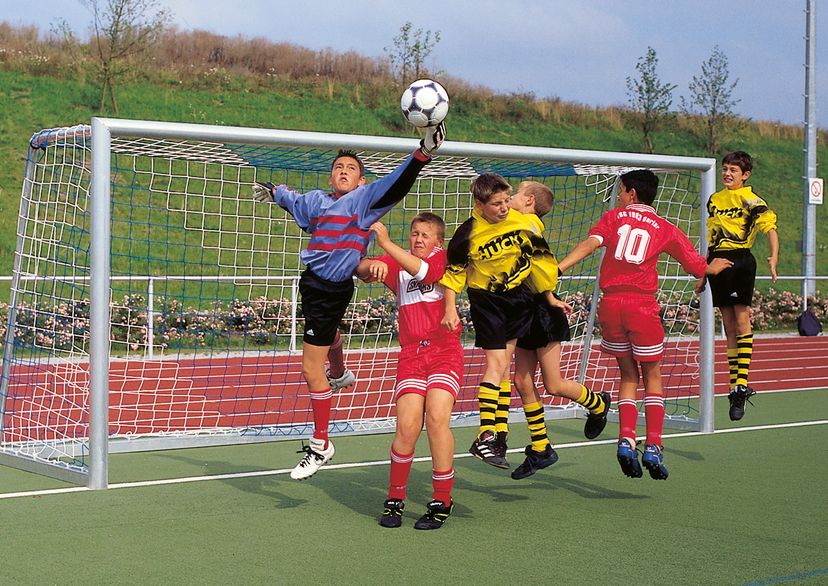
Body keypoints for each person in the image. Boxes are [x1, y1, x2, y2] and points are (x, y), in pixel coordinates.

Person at [252, 123, 446, 480]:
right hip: (310, 283)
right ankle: (339, 372)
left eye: (351, 169)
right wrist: (275, 191)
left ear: (360, 182)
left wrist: (422, 153)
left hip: (331, 290)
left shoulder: (363, 202)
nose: (343, 172)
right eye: (338, 167)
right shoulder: (315, 201)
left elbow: (396, 183)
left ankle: (321, 443)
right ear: (331, 177)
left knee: (311, 370)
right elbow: (291, 200)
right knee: (327, 340)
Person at [558, 170, 732, 480]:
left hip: (611, 305)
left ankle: (626, 439)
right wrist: (712, 266)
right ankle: (653, 444)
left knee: (627, 375)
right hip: (642, 306)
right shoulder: (666, 228)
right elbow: (695, 268)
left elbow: (590, 245)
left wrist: (559, 267)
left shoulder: (613, 218)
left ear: (632, 194)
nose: (620, 196)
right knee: (652, 375)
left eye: (622, 191)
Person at [440, 172, 559, 470]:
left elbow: (542, 260)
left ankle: (499, 438)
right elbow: (454, 275)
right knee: (495, 366)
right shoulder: (466, 234)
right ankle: (487, 434)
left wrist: (549, 294)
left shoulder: (524, 223)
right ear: (480, 205)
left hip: (518, 302)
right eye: (497, 203)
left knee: (504, 369)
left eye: (507, 201)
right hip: (487, 303)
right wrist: (449, 309)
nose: (505, 207)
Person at [355, 214, 461, 530]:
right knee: (406, 427)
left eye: (425, 235)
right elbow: (361, 268)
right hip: (412, 356)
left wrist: (386, 242)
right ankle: (394, 499)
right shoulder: (399, 264)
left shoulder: (443, 260)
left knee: (437, 419)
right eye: (414, 233)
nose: (418, 239)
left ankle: (442, 500)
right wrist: (369, 268)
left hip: (444, 353)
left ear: (438, 242)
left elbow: (426, 272)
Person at [506, 181, 611, 480]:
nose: (509, 198)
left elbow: (544, 268)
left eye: (514, 194)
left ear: (527, 201)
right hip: (525, 310)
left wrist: (549, 295)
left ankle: (598, 402)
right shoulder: (519, 222)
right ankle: (541, 447)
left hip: (542, 312)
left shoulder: (526, 223)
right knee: (521, 380)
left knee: (553, 384)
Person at [703, 151, 779, 421]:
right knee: (728, 324)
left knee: (742, 318)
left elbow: (770, 228)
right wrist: (704, 270)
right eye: (725, 169)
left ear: (745, 175)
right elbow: (711, 236)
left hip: (740, 261)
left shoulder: (751, 199)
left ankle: (741, 384)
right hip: (717, 262)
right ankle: (734, 386)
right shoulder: (714, 200)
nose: (727, 174)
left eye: (733, 170)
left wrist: (774, 256)